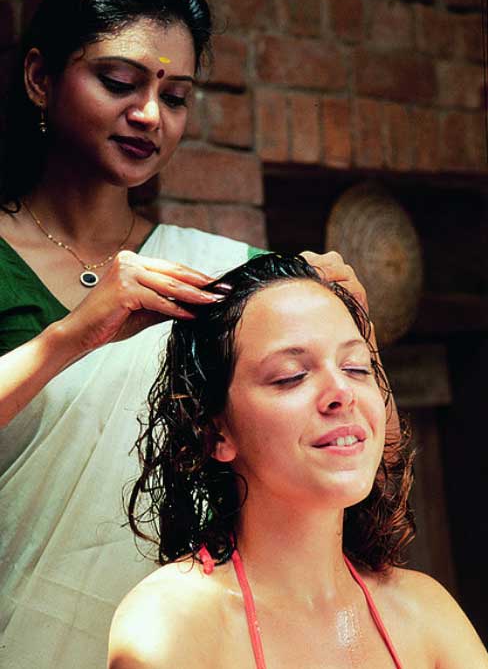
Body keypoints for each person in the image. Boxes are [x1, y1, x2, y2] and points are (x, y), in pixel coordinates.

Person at [0, 0, 368, 667]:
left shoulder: (217, 273)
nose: (150, 115)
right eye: (118, 81)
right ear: (41, 79)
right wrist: (74, 335)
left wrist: (351, 337)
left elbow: (341, 451)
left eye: (174, 97)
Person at [109, 253, 488, 669]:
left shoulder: (425, 612)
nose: (341, 391)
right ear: (215, 433)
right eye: (291, 375)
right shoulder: (173, 624)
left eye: (357, 367)